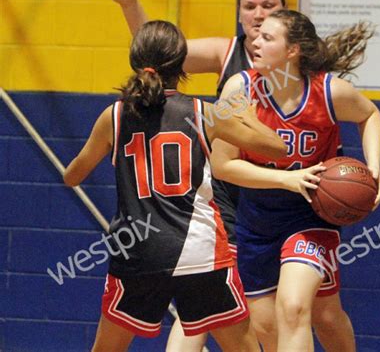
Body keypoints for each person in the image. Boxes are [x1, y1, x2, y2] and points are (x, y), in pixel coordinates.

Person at [92, 0, 375, 351]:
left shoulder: (314, 80)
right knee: (237, 318)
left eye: (268, 6)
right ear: (240, 13)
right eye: (250, 6)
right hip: (233, 202)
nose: (258, 15)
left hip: (301, 204)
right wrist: (130, 4)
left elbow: (367, 113)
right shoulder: (230, 62)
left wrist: (371, 170)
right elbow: (160, 55)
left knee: (309, 311)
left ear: (283, 15)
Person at [63, 20, 297, 352]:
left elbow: (72, 177)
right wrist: (246, 112)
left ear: (135, 60)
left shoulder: (114, 116)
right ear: (182, 63)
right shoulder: (204, 113)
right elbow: (277, 148)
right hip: (200, 252)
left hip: (139, 252)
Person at [210, 9, 380, 352]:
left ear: (292, 51)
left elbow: (370, 115)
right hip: (257, 223)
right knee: (273, 327)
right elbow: (223, 166)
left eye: (267, 38)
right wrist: (287, 179)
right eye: (255, 36)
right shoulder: (239, 89)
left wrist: (374, 167)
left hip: (311, 217)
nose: (255, 41)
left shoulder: (328, 91)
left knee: (293, 308)